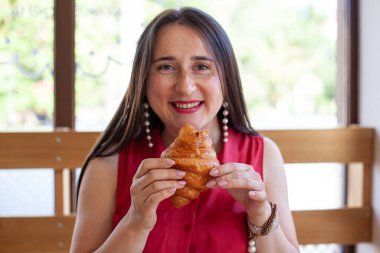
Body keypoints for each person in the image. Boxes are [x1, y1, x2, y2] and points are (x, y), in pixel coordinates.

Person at [70, 7, 299, 253]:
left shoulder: (263, 155)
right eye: (166, 67)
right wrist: (136, 222)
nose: (185, 87)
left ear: (226, 79)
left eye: (201, 66)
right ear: (143, 81)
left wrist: (261, 214)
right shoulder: (108, 166)